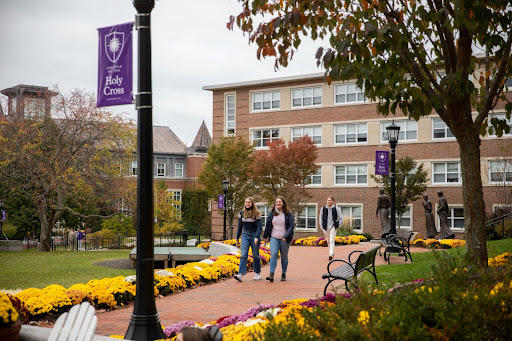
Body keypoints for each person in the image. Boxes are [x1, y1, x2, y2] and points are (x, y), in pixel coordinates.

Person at [263, 196, 294, 282]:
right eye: (276, 202)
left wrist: (285, 236)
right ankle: (271, 274)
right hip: (274, 237)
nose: (278, 203)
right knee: (274, 254)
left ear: (283, 203)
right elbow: (268, 225)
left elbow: (291, 226)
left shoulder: (288, 214)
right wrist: (265, 237)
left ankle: (283, 273)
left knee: (284, 256)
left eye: (280, 202)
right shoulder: (272, 213)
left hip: (284, 238)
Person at [234, 197, 262, 282]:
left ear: (252, 203)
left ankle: (257, 274)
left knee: (255, 255)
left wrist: (257, 237)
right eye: (246, 202)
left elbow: (259, 227)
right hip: (245, 235)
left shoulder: (256, 213)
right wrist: (237, 238)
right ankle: (240, 274)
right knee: (243, 254)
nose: (247, 203)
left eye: (249, 202)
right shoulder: (241, 213)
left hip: (254, 235)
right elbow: (240, 227)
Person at [318, 196, 343, 261]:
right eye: (328, 200)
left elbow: (341, 218)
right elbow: (320, 218)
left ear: (332, 201)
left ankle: (330, 254)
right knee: (328, 241)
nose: (329, 201)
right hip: (325, 227)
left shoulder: (336, 209)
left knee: (332, 240)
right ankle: (331, 253)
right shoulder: (323, 209)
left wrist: (338, 225)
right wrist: (321, 226)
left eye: (330, 200)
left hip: (333, 227)